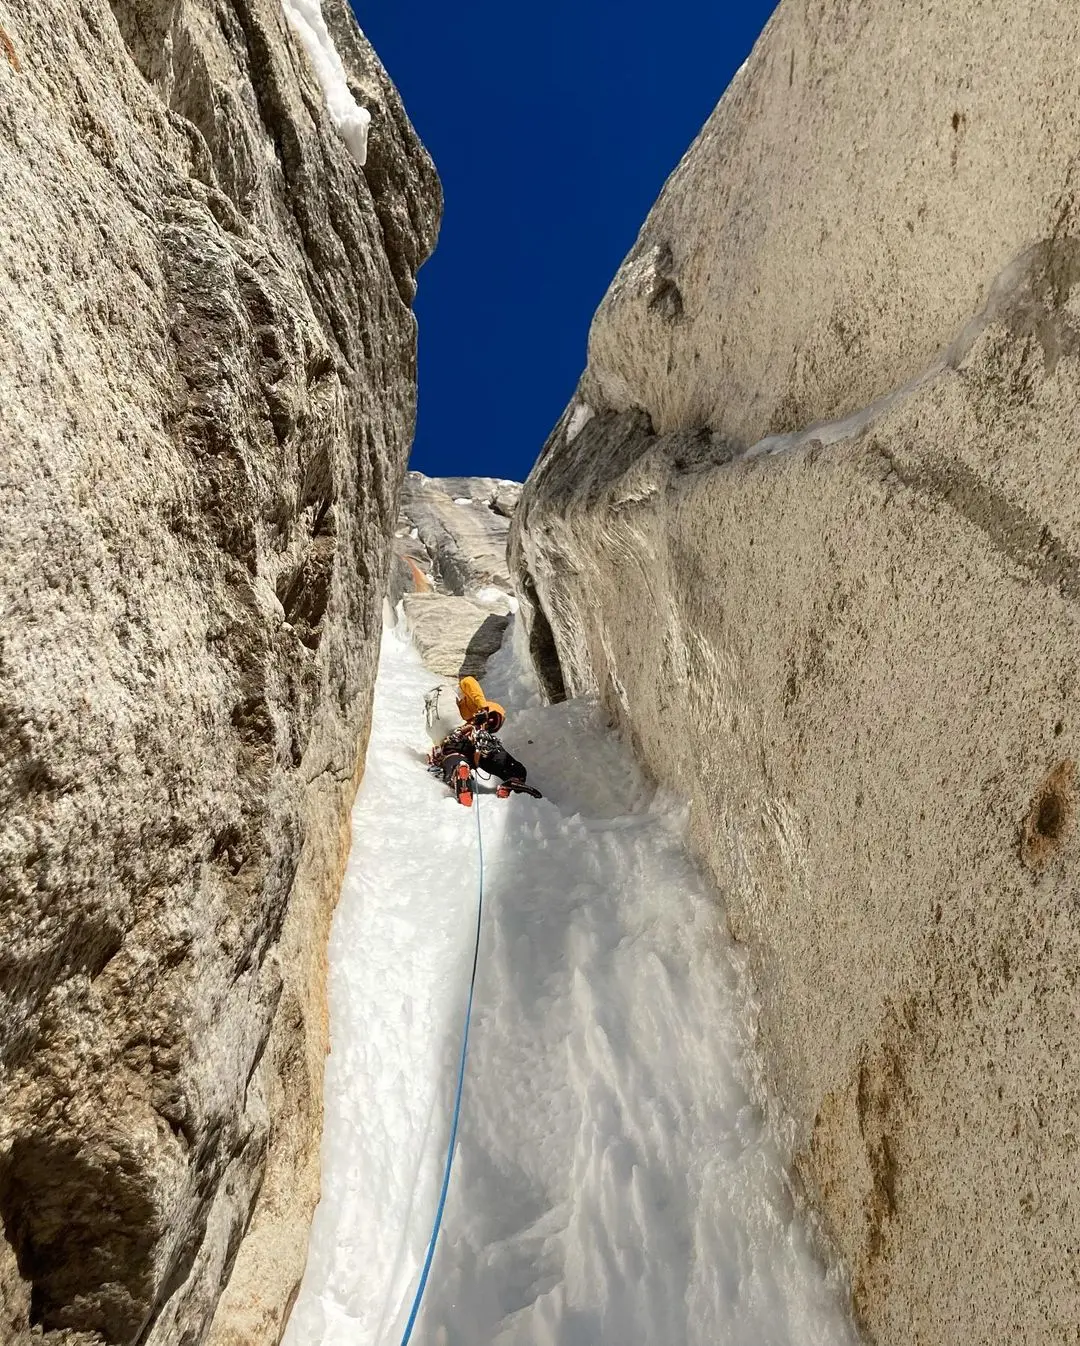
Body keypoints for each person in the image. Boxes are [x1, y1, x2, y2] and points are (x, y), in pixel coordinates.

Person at [428, 676, 541, 807]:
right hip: (480, 743)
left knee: (454, 759)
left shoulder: (456, 714)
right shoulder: (475, 705)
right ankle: (513, 780)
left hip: (455, 742)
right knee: (515, 769)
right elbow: (468, 681)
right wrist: (482, 707)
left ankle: (458, 771)